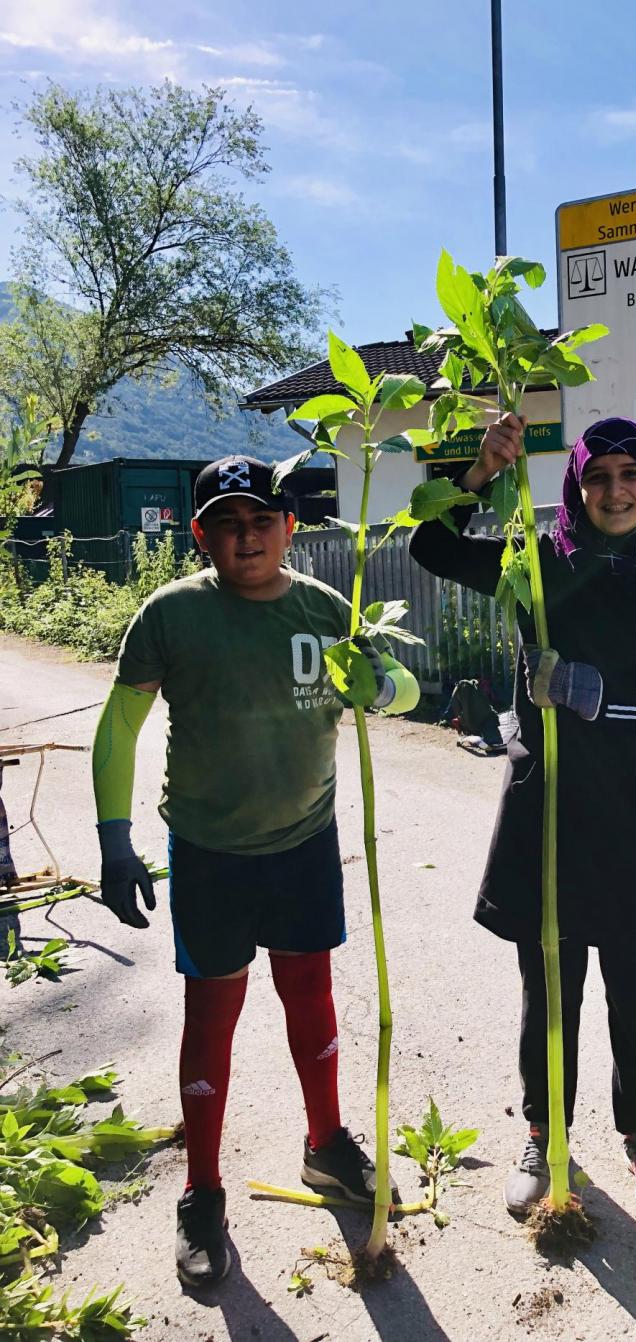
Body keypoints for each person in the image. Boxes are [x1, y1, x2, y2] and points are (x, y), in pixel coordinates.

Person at [91, 455, 419, 1287]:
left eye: (261, 521)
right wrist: (114, 838)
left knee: (311, 996)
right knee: (214, 1015)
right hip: (210, 854)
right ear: (199, 534)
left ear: (290, 529)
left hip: (305, 845)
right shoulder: (171, 616)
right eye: (228, 523)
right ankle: (202, 1191)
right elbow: (119, 725)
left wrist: (382, 684)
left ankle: (326, 1147)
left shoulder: (324, 610)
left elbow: (407, 691)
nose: (246, 537)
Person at [410, 415, 636, 1223]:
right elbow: (432, 551)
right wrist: (478, 471)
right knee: (548, 989)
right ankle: (545, 1134)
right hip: (548, 807)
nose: (614, 490)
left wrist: (594, 698)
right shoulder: (535, 564)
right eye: (597, 476)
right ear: (575, 486)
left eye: (630, 474)